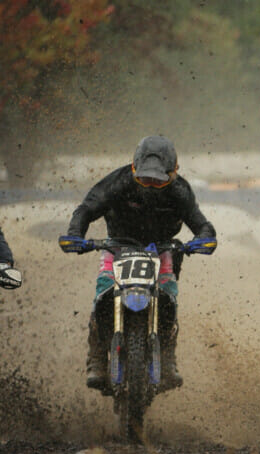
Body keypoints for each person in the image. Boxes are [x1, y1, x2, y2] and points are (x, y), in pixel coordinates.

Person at [59, 135, 217, 391]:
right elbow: (86, 209)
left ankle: (167, 357)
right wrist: (76, 235)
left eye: (158, 181)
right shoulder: (118, 181)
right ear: (134, 169)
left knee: (168, 297)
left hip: (161, 249)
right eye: (145, 179)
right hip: (117, 246)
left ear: (173, 173)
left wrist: (203, 240)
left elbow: (202, 224)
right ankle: (96, 358)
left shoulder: (181, 191)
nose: (151, 185)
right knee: (103, 293)